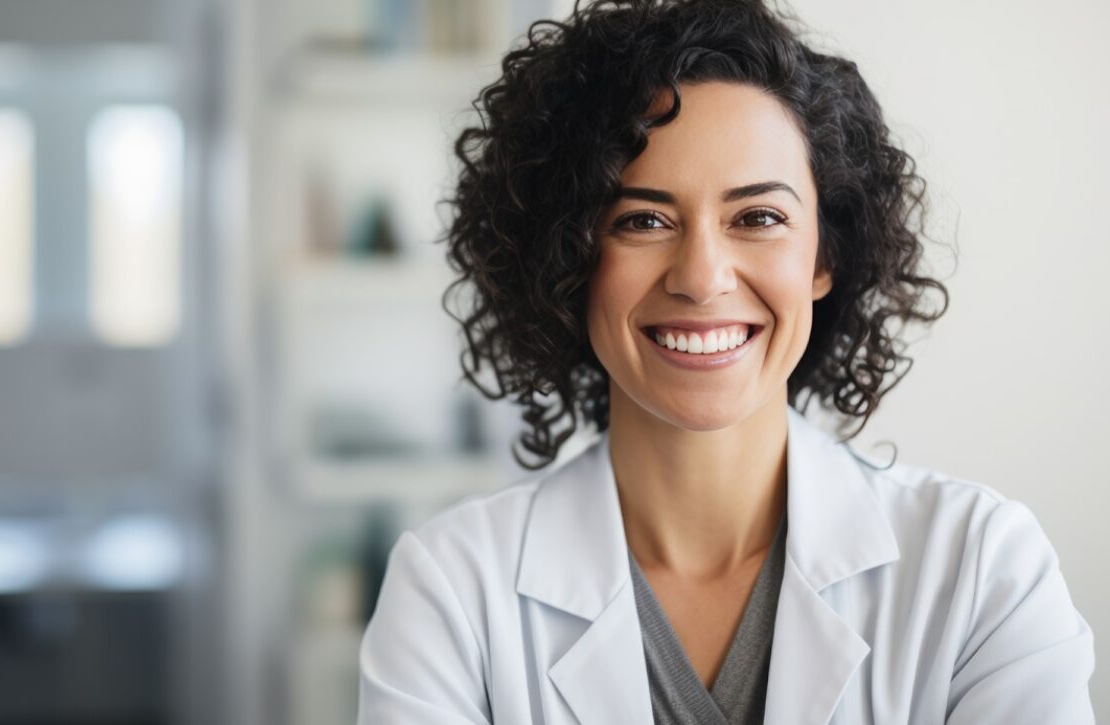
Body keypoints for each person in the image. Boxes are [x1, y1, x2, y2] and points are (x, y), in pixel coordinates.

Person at [356, 0, 1097, 722]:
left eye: (759, 217)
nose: (702, 276)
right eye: (643, 220)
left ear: (824, 254)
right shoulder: (451, 589)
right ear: (568, 260)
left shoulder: (981, 569)